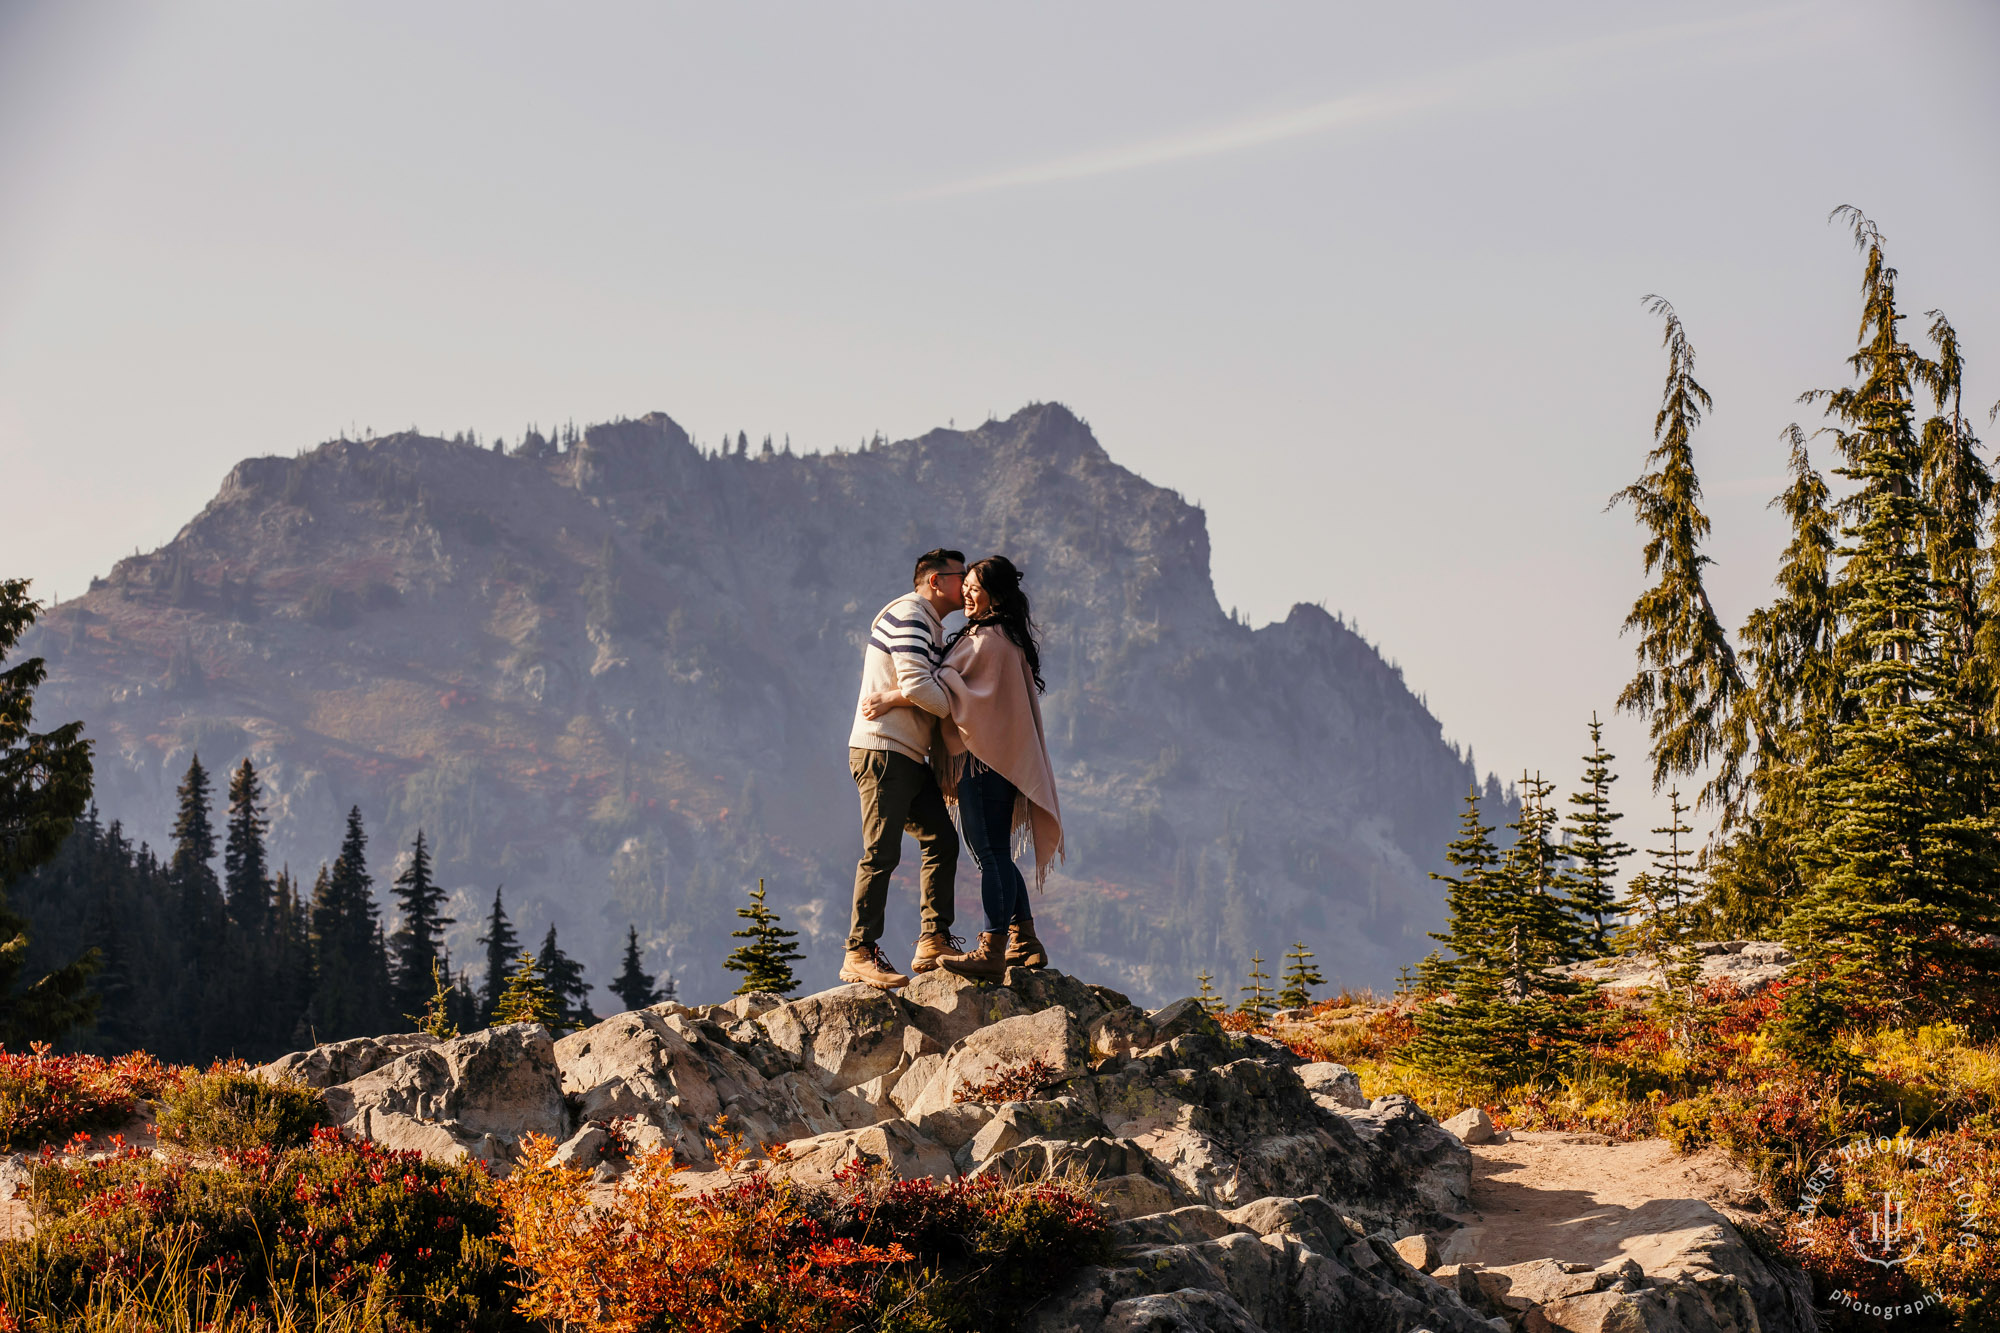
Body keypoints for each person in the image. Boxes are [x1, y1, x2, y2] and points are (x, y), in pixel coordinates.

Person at [861, 555, 1063, 980]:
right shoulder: (999, 636)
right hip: (992, 762)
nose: (966, 593)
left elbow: (951, 695)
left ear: (995, 594)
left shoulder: (988, 639)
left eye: (974, 586)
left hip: (982, 763)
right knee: (993, 853)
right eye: (964, 584)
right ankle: (1023, 937)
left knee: (989, 854)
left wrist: (892, 698)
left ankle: (991, 946)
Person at [840, 548, 968, 990]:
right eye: (960, 575)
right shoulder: (910, 613)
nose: (967, 583)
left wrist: (901, 697)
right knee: (881, 851)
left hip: (907, 754)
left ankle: (932, 939)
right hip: (884, 750)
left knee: (941, 839)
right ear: (936, 581)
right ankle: (859, 951)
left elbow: (913, 688)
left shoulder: (929, 624)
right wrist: (962, 705)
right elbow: (918, 684)